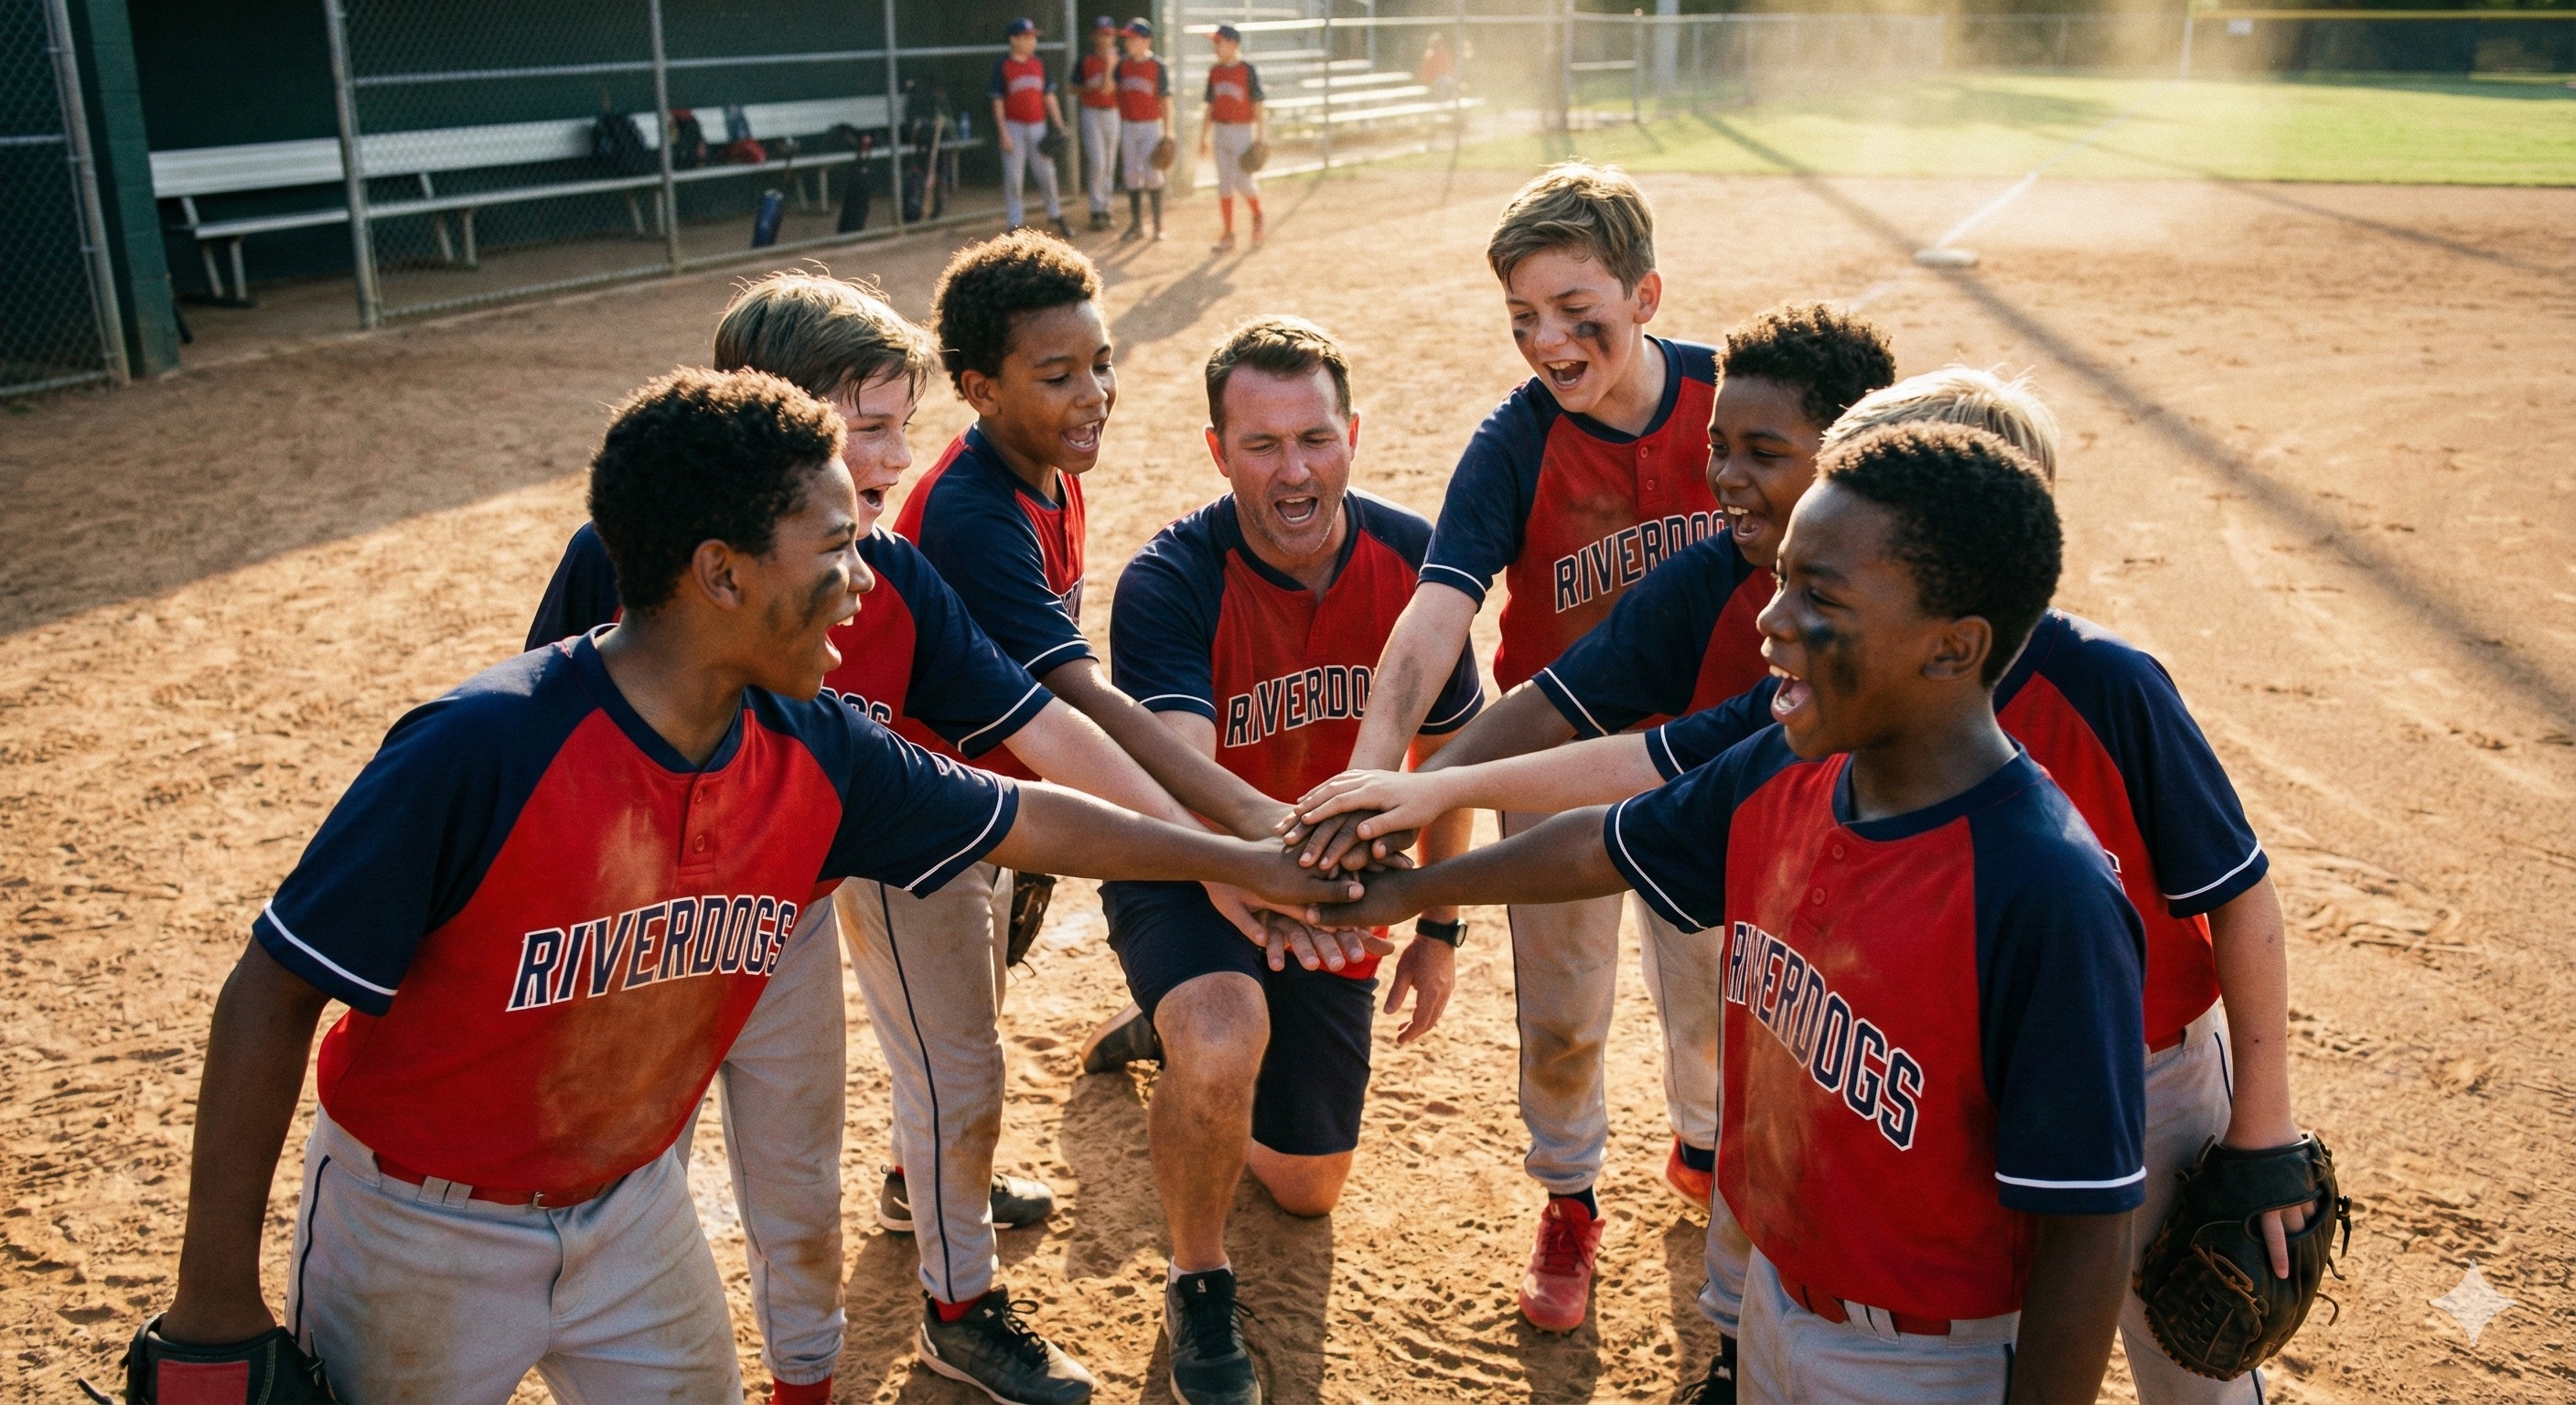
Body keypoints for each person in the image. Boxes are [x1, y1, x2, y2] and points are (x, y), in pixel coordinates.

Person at [132, 367, 1359, 1405]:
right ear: (719, 575)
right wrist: (209, 1303)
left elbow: (1029, 815)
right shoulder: (482, 747)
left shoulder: (814, 746)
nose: (867, 580)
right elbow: (272, 991)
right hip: (419, 1228)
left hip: (630, 1211)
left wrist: (1245, 861)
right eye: (834, 549)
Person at [1298, 367, 2304, 1405]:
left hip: (2141, 1076)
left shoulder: (2087, 720)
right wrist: (1422, 827)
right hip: (1915, 1116)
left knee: (2186, 1370)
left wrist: (2259, 1127)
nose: (1772, 616)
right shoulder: (1820, 729)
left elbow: (2234, 900)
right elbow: (1637, 795)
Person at [523, 272, 1250, 1404]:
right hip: (629, 947)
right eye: (863, 429)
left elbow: (1045, 730)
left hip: (787, 919)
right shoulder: (624, 556)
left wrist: (1214, 847)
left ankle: (835, 1369)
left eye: (898, 427)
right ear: (770, 426)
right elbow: (534, 749)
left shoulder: (892, 578)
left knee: (802, 1192)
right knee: (615, 1194)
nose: (894, 461)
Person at [1292, 306, 1894, 1291]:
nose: (1724, 476)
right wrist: (1401, 793)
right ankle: (1577, 1200)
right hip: (1680, 801)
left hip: (1820, 879)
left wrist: (1411, 823)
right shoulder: (1699, 565)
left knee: (1747, 1042)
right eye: (1718, 450)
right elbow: (1560, 700)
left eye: (1761, 452)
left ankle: (1722, 1198)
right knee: (1573, 1012)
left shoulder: (1872, 610)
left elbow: (1656, 765)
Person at [1331, 159, 1722, 1333]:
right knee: (1561, 1006)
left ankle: (1704, 1145)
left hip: (1709, 761)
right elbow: (1428, 625)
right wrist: (1372, 778)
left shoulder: (1729, 400)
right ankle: (1569, 1194)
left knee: (1710, 984)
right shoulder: (1514, 444)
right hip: (1554, 765)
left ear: (1645, 296)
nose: (1547, 344)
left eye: (1575, 314)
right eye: (1521, 321)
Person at [1081, 316, 1483, 1404]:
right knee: (1222, 1033)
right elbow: (1185, 780)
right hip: (1184, 850)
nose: (1292, 469)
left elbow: (1448, 756)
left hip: (1329, 880)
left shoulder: (1413, 562)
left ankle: (1176, 1030)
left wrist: (1437, 928)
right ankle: (1198, 1275)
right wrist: (1257, 888)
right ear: (1217, 452)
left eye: (1313, 438)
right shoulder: (1171, 576)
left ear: (1351, 434)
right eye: (1260, 446)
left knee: (1306, 1189)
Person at [993, 17, 1074, 237]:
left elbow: (1049, 96)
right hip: (1014, 127)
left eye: (1033, 37)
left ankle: (1055, 214)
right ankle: (1015, 223)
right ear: (1013, 39)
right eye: (1027, 37)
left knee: (1047, 173)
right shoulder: (1003, 65)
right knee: (1014, 177)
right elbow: (997, 101)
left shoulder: (1039, 63)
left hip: (1038, 126)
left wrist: (1059, 126)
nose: (1032, 41)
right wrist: (1004, 133)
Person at [1197, 24, 1267, 252]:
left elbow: (1257, 104)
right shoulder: (1214, 71)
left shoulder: (1247, 70)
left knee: (1243, 181)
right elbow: (1210, 106)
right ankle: (1228, 235)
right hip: (1220, 130)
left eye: (1219, 42)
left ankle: (1258, 214)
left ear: (1233, 44)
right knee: (1224, 183)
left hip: (1242, 130)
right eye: (1214, 42)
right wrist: (1203, 136)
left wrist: (1261, 136)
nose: (1215, 46)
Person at [1112, 17, 1175, 241]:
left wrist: (1168, 131)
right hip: (1128, 124)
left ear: (1146, 40)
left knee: (1152, 174)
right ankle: (1137, 225)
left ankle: (1158, 225)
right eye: (1127, 39)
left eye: (1133, 38)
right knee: (1131, 174)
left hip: (1151, 125)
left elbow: (1166, 100)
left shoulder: (1157, 66)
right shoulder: (1121, 65)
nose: (1128, 42)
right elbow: (1110, 91)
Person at [1075, 15, 1123, 231]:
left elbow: (1109, 89)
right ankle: (1096, 209)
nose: (1105, 38)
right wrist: (1090, 87)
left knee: (1110, 163)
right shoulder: (1085, 59)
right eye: (1101, 34)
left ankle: (1106, 209)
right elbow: (1072, 87)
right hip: (1091, 112)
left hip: (1112, 112)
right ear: (1094, 35)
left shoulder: (1119, 61)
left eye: (1109, 34)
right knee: (1098, 162)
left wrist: (1109, 67)